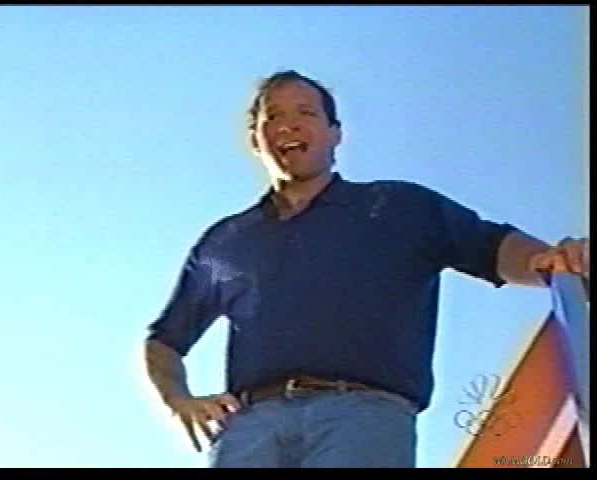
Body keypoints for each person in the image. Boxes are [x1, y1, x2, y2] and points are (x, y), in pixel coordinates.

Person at [143, 70, 589, 468]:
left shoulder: (397, 207)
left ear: (335, 133)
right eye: (273, 116)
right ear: (256, 140)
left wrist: (548, 260)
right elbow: (165, 340)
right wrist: (178, 399)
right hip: (251, 428)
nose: (289, 125)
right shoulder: (227, 241)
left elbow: (491, 246)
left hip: (363, 416)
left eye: (306, 113)